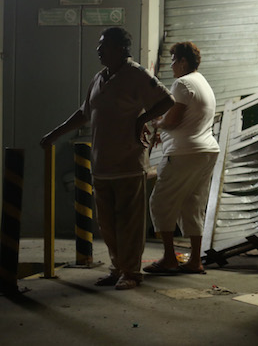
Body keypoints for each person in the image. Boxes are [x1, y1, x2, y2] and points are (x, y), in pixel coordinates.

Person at [40, 27, 174, 290]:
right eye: (99, 46)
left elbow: (166, 101)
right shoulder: (100, 78)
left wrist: (141, 119)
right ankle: (117, 268)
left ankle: (132, 273)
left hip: (128, 163)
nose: (99, 50)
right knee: (108, 225)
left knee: (129, 224)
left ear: (121, 49)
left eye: (105, 45)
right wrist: (54, 134)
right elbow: (84, 113)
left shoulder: (136, 75)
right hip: (101, 165)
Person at [144, 41, 220, 275]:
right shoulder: (203, 82)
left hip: (184, 152)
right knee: (193, 203)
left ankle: (169, 258)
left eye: (174, 60)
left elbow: (173, 120)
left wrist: (157, 123)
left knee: (160, 203)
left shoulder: (182, 83)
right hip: (206, 151)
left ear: (183, 61)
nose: (172, 65)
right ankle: (195, 260)